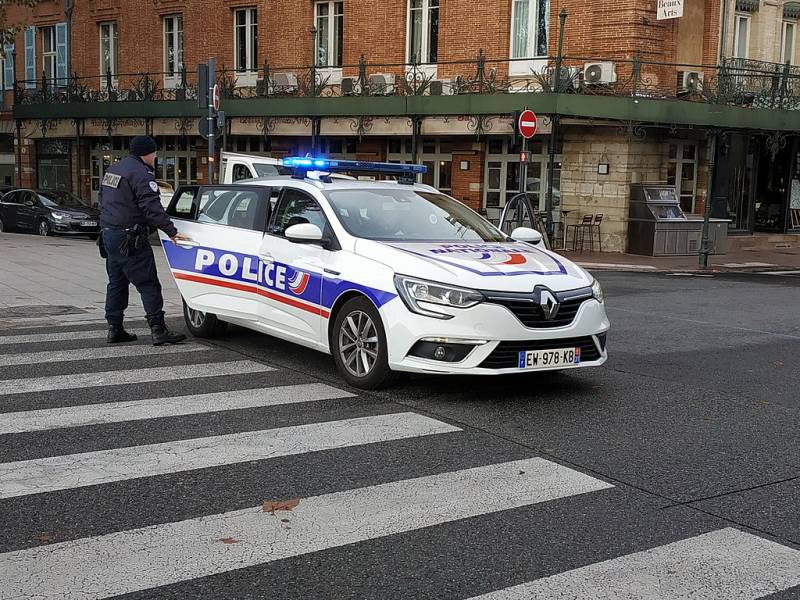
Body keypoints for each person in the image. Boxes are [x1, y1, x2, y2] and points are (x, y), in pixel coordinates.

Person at [98, 135, 187, 346]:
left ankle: (115, 328)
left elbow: (102, 199)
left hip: (109, 235)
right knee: (148, 284)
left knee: (116, 283)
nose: (156, 157)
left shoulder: (114, 170)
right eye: (154, 153)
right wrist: (172, 231)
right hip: (130, 238)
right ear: (145, 153)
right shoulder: (141, 173)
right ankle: (158, 329)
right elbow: (152, 208)